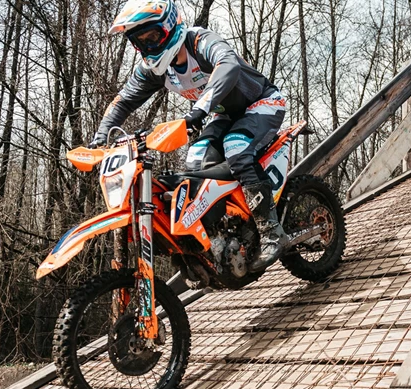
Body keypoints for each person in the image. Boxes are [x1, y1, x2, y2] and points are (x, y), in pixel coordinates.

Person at [90, 0, 287, 271]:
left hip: (261, 102)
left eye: (153, 36)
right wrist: (100, 139)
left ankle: (271, 232)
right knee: (195, 162)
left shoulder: (199, 41)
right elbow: (124, 101)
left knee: (236, 147)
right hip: (225, 115)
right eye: (141, 41)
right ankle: (223, 234)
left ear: (169, 27)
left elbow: (228, 64)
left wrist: (198, 110)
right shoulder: (155, 69)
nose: (148, 46)